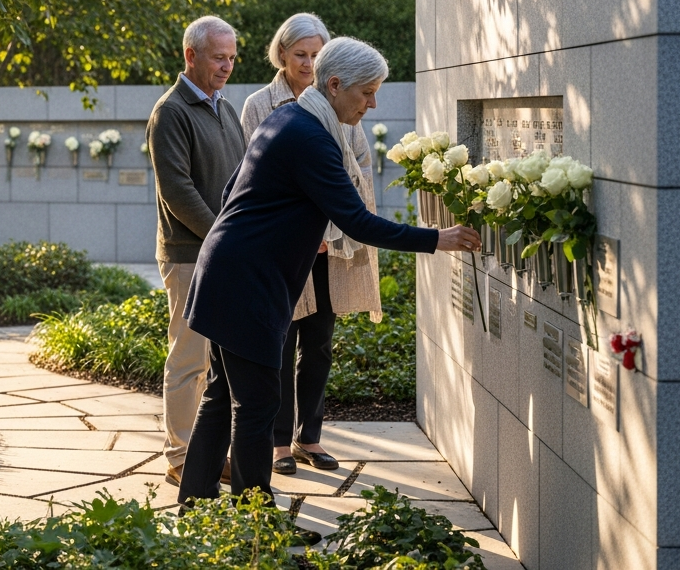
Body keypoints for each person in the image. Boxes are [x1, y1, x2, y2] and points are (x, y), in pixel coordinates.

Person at [176, 37, 480, 507]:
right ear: (335, 85)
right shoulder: (312, 138)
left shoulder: (287, 117)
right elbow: (357, 220)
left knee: (222, 395)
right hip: (247, 286)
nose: (373, 103)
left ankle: (194, 502)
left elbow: (230, 193)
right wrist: (436, 238)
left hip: (226, 271)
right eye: (367, 92)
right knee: (256, 405)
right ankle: (254, 521)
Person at [240, 14, 383, 475]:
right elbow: (261, 174)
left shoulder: (341, 101)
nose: (307, 62)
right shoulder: (263, 105)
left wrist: (330, 232)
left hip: (331, 243)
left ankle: (310, 436)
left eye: (315, 54)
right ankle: (279, 444)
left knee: (319, 341)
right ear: (281, 54)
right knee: (279, 340)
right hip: (288, 244)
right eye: (300, 54)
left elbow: (358, 164)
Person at [146, 15, 246, 488]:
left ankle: (208, 453)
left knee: (216, 363)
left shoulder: (226, 109)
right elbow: (178, 191)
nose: (227, 66)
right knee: (189, 359)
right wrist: (223, 235)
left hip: (222, 252)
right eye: (218, 57)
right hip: (189, 254)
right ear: (191, 55)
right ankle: (181, 457)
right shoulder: (171, 111)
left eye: (231, 57)